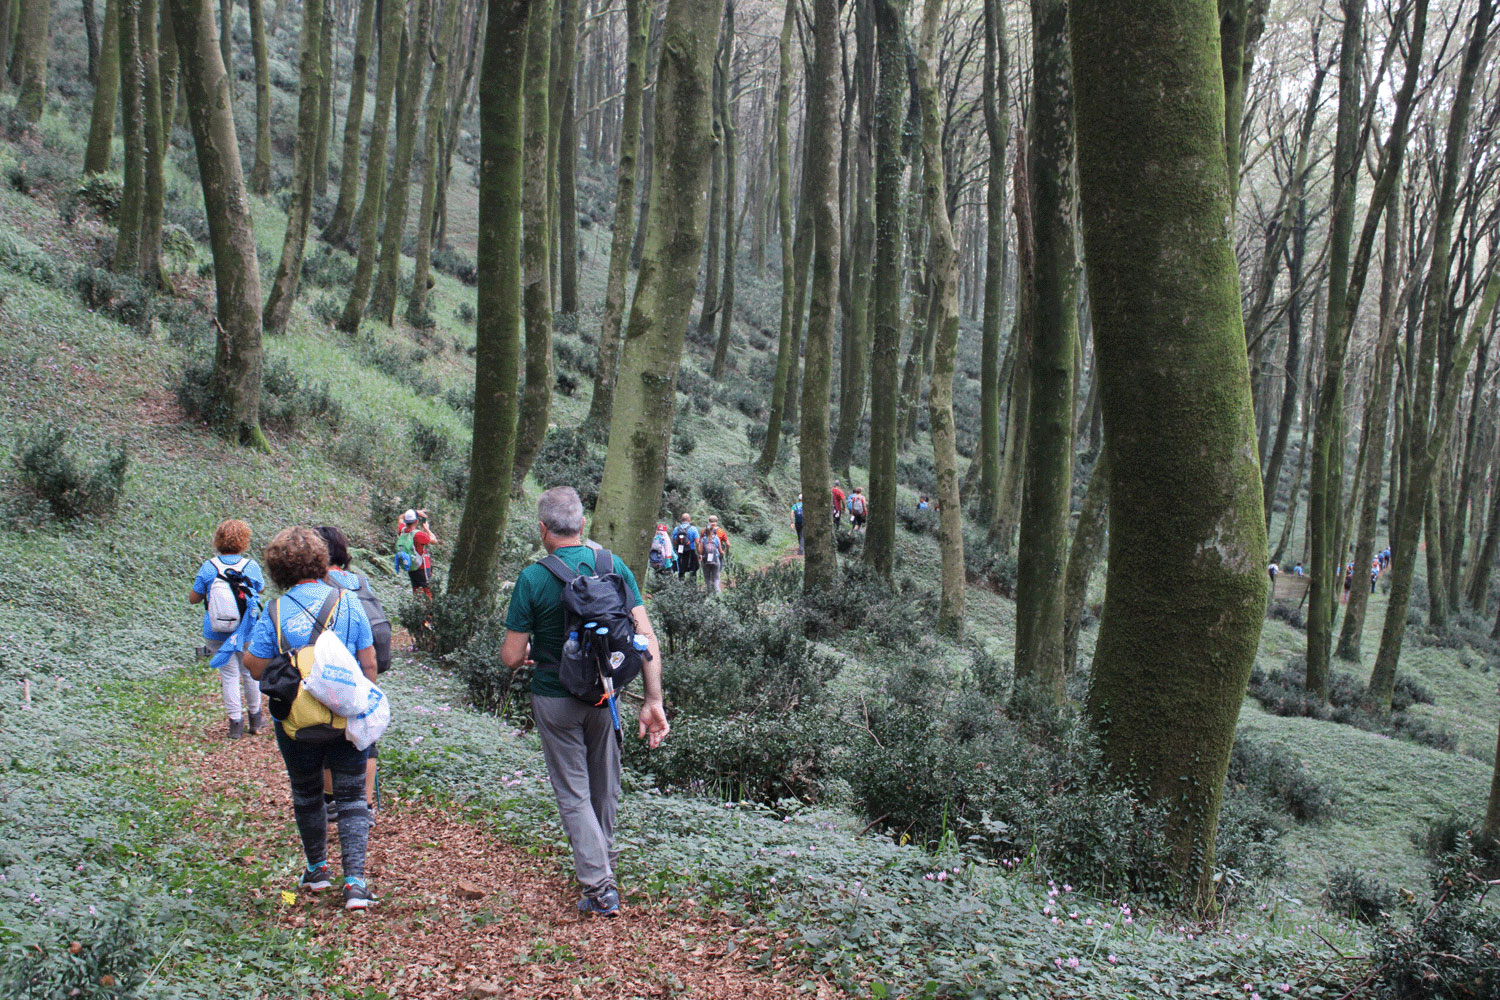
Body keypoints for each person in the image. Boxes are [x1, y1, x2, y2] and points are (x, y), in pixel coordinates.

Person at [500, 488, 669, 917]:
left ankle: (598, 887)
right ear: (581, 524)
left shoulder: (533, 578)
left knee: (573, 791)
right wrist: (652, 700)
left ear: (543, 529)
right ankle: (603, 867)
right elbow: (646, 640)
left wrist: (534, 653)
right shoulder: (614, 568)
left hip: (555, 698)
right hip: (606, 695)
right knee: (604, 787)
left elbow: (511, 656)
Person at [243, 528, 379, 911]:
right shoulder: (349, 603)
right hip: (343, 715)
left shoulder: (275, 610)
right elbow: (369, 662)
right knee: (352, 797)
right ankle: (354, 883)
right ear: (322, 562)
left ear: (276, 569)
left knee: (306, 794)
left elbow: (254, 667)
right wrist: (360, 702)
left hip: (294, 721)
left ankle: (317, 870)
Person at [317, 525, 389, 815]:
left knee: (327, 733)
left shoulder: (320, 583)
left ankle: (332, 800)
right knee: (365, 736)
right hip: (364, 667)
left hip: (333, 670)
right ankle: (366, 804)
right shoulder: (361, 580)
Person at [189, 518, 266, 740]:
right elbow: (259, 589)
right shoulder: (250, 567)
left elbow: (194, 598)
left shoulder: (208, 567)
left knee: (229, 675)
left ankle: (235, 725)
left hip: (216, 631)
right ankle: (256, 719)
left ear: (217, 540)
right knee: (249, 673)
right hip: (246, 630)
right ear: (244, 541)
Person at [398, 509, 438, 598]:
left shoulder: (402, 531)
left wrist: (415, 512)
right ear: (416, 521)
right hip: (422, 567)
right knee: (428, 592)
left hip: (411, 567)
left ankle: (416, 610)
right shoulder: (419, 534)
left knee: (416, 591)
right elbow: (434, 540)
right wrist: (427, 529)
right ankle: (429, 612)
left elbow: (400, 517)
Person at [698, 515, 730, 593]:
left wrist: (700, 555)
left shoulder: (703, 531)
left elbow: (699, 545)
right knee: (716, 576)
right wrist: (724, 552)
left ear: (708, 521)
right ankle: (717, 595)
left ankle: (709, 593)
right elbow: (728, 544)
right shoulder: (720, 531)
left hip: (705, 558)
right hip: (717, 557)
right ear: (717, 521)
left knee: (707, 577)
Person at [672, 514, 700, 581]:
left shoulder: (676, 529)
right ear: (689, 520)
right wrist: (699, 553)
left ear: (681, 520)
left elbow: (674, 541)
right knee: (693, 570)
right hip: (691, 551)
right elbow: (697, 542)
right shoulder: (693, 529)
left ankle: (681, 585)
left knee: (681, 570)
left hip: (680, 552)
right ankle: (692, 585)